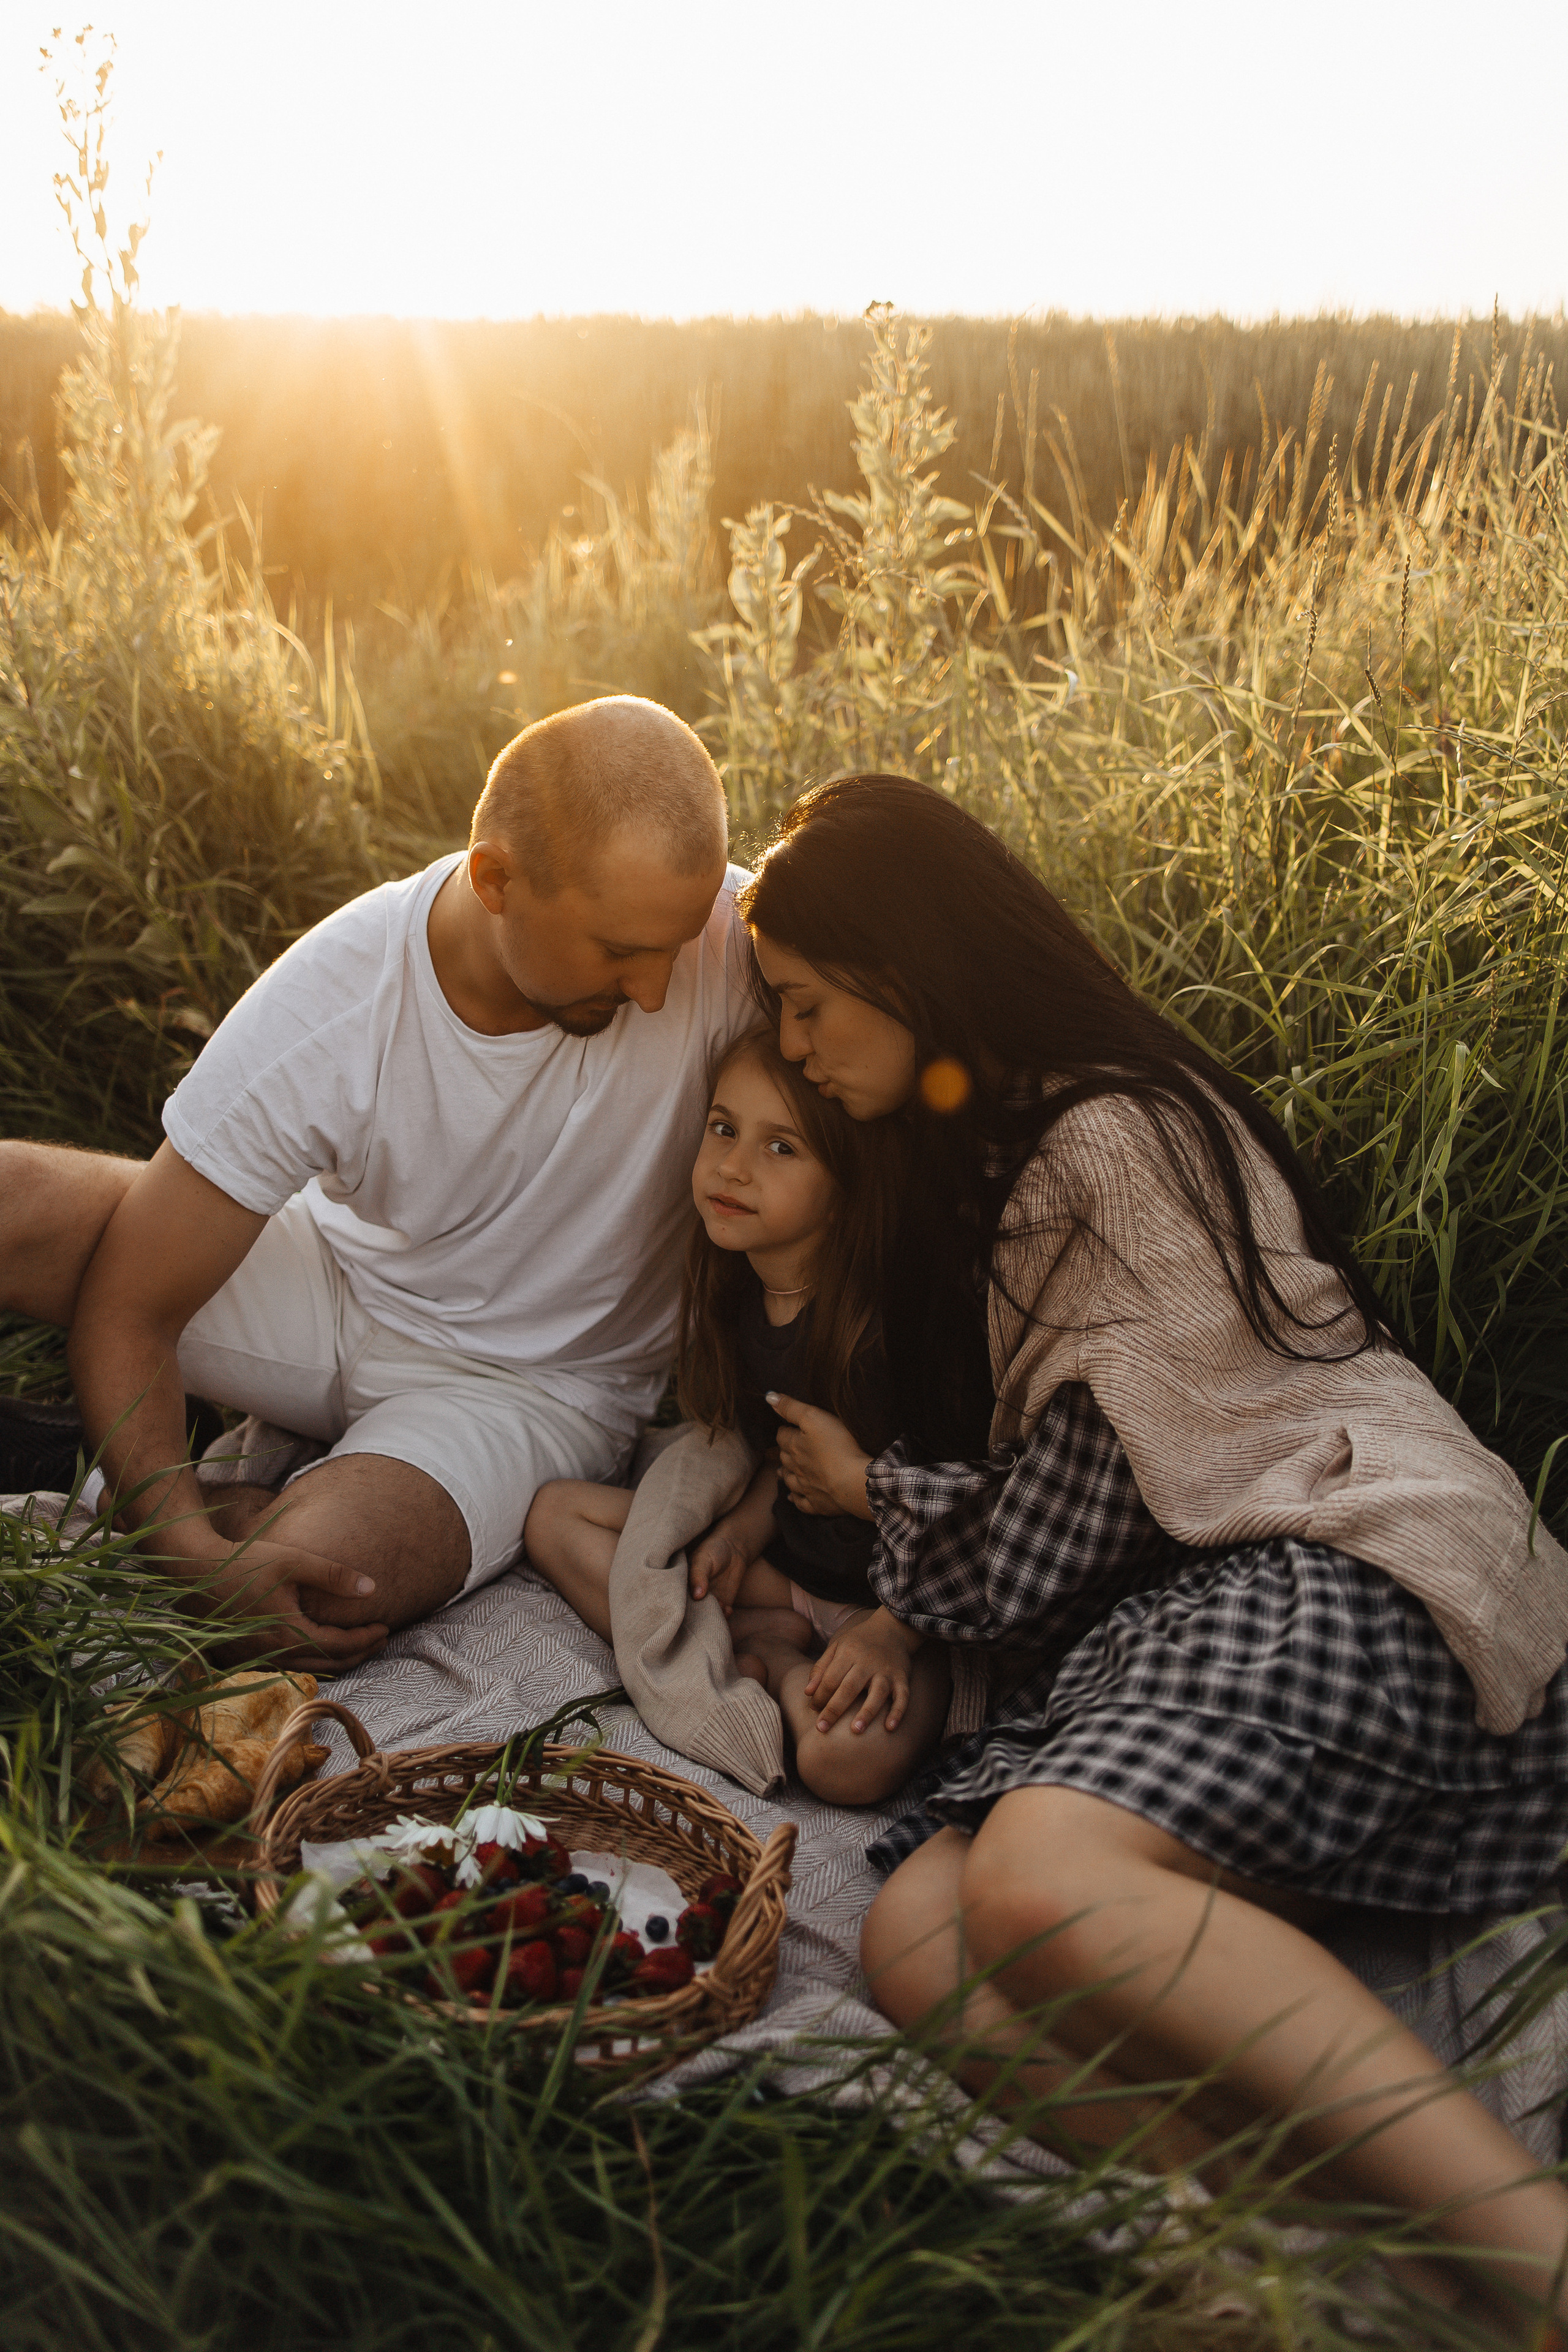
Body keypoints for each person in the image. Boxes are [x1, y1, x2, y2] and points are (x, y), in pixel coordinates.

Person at [739, 771, 1568, 2330]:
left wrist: (871, 1499)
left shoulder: (1100, 1134)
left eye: (803, 1005)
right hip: (1171, 1635)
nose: (793, 1047)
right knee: (918, 1938)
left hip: (1321, 1552)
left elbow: (1087, 1504)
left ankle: (1533, 2255)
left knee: (1041, 1881)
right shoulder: (981, 1161)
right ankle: (1344, 2272)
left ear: (902, 966)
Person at [0, 697, 755, 1670]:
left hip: (537, 1387)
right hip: (336, 1284)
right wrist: (180, 1546)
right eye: (620, 952)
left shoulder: (726, 942)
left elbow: (920, 1001)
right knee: (16, 1198)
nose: (657, 989)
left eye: (677, 943)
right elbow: (133, 1303)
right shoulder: (345, 992)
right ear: (494, 878)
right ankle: (158, 1474)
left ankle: (142, 1468)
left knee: (314, 1585)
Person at [524, 1025, 952, 1804]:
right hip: (785, 1580)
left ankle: (776, 1669)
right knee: (557, 1516)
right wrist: (733, 1536)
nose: (731, 1165)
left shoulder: (883, 1329)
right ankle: (766, 1647)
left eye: (780, 1148)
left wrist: (895, 1632)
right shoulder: (740, 1293)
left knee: (842, 1765)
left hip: (898, 1609)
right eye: (723, 1128)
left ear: (848, 1185)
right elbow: (773, 1462)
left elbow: (964, 1508)